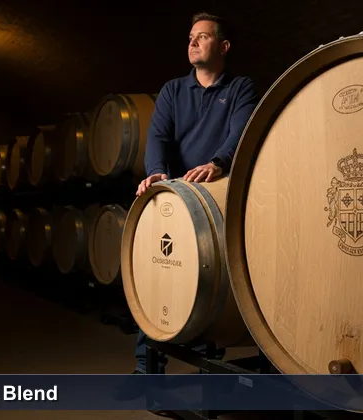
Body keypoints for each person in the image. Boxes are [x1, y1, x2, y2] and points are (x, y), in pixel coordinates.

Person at [113, 11, 259, 407]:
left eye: (203, 37)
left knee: (213, 283)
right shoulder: (173, 91)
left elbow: (241, 129)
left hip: (220, 194)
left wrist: (220, 162)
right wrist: (157, 173)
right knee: (156, 273)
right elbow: (158, 136)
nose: (193, 42)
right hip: (179, 198)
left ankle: (207, 367)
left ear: (223, 46)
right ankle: (147, 368)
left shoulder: (241, 87)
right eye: (191, 37)